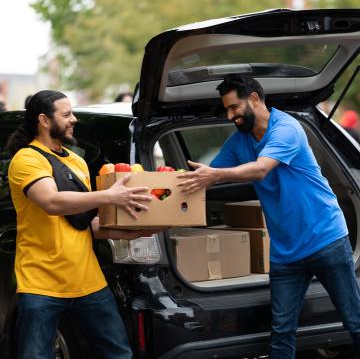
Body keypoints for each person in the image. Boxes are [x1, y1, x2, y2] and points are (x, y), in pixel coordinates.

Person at [177, 74, 360, 358]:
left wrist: (214, 174)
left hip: (326, 240)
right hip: (286, 252)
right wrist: (162, 187)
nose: (230, 115)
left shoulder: (287, 128)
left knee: (354, 321)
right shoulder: (240, 141)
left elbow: (261, 169)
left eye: (234, 107)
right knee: (282, 330)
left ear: (254, 98)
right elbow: (207, 176)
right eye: (226, 109)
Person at [6, 90, 154, 359]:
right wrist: (110, 196)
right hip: (42, 283)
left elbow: (85, 223)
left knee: (119, 354)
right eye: (66, 114)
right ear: (44, 120)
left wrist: (133, 233)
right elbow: (52, 201)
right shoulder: (27, 159)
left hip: (88, 281)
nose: (73, 119)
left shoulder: (77, 161)